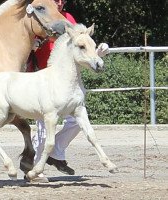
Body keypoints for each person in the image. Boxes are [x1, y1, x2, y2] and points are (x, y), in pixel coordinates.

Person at [27, 0, 109, 182]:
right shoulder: (40, 16)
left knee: (75, 121)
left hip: (66, 80)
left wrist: (98, 52)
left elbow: (83, 43)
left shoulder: (69, 18)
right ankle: (33, 168)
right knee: (44, 124)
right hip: (43, 74)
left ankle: (56, 152)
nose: (59, 1)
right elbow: (30, 37)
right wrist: (33, 44)